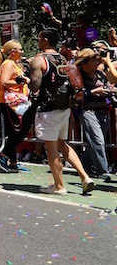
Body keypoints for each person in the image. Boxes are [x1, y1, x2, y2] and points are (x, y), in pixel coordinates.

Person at [28, 29, 93, 195]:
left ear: (44, 40)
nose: (38, 41)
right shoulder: (63, 58)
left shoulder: (39, 59)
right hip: (65, 107)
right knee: (62, 144)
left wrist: (27, 77)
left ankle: (59, 186)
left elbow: (34, 85)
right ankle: (85, 177)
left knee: (51, 148)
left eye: (39, 38)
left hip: (48, 109)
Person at [76, 48, 117, 182]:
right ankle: (103, 171)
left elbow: (108, 85)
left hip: (103, 110)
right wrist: (93, 92)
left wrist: (110, 90)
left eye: (96, 60)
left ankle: (85, 166)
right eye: (92, 60)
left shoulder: (100, 74)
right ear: (83, 63)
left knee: (95, 142)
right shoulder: (77, 76)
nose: (95, 63)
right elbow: (76, 95)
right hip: (87, 111)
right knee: (98, 140)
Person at [0, 40, 32, 173]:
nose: (22, 51)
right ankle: (3, 154)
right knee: (18, 130)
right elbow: (4, 81)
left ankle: (13, 162)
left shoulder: (14, 64)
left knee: (16, 131)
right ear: (13, 52)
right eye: (20, 49)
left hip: (15, 102)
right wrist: (21, 80)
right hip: (8, 103)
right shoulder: (8, 64)